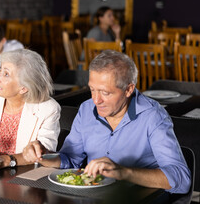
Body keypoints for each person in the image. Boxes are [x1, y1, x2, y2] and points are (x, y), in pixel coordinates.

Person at [23, 50, 191, 194]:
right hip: (93, 195)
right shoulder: (86, 109)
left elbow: (181, 180)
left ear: (128, 89)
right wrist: (44, 156)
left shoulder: (153, 117)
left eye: (105, 92)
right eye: (92, 89)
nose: (96, 100)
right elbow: (71, 158)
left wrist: (122, 172)